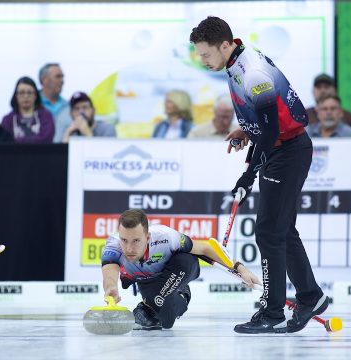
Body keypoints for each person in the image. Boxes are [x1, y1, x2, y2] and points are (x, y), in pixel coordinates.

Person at [190, 16, 329, 334]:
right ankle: (310, 296)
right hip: (284, 147)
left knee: (268, 232)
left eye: (205, 54)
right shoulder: (235, 60)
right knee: (281, 229)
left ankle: (273, 311)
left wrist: (247, 176)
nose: (202, 60)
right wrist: (245, 129)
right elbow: (266, 121)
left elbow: (271, 131)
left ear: (224, 45)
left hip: (287, 151)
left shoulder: (251, 72)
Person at [101, 209, 260, 330]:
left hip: (174, 272)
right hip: (147, 282)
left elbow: (205, 248)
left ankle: (174, 295)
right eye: (124, 240)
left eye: (136, 241)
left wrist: (241, 269)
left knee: (186, 259)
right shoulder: (113, 246)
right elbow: (109, 271)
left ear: (148, 237)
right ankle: (157, 304)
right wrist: (111, 289)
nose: (129, 248)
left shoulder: (166, 237)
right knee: (166, 320)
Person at [1, 76, 55, 143]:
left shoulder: (46, 116)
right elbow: (6, 142)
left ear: (35, 95)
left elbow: (46, 139)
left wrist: (18, 140)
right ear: (16, 96)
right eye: (21, 93)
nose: (26, 96)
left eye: (29, 93)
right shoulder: (8, 119)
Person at [38, 63, 71, 143]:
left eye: (62, 77)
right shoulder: (31, 105)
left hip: (62, 152)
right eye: (58, 76)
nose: (62, 81)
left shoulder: (69, 107)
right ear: (44, 79)